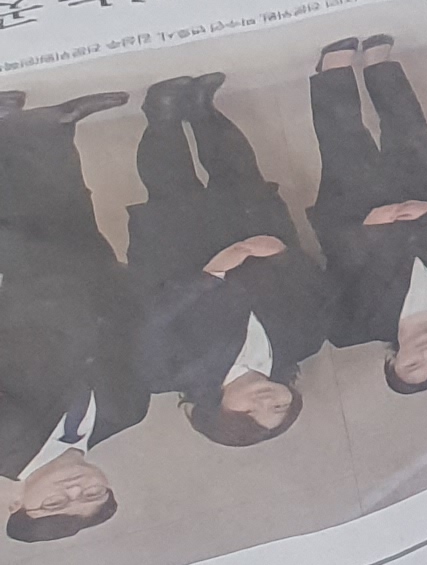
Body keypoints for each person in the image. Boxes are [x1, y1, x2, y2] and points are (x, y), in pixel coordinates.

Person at [124, 73, 330, 445]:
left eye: (250, 412)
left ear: (217, 410)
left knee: (171, 183)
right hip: (259, 243)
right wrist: (283, 255)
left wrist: (211, 274)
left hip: (178, 258)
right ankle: (203, 110)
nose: (265, 401)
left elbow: (149, 320)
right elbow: (313, 289)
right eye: (279, 407)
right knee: (239, 172)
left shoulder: (169, 374)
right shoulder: (302, 344)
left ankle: (162, 114)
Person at [305, 35, 427, 395]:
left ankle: (333, 72)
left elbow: (332, 275)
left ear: (392, 361)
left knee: (344, 143)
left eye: (413, 365)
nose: (426, 352)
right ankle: (380, 66)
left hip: (357, 217)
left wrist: (369, 230)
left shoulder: (352, 327)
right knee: (408, 129)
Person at [0, 90, 148, 543]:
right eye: (93, 496)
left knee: (11, 215)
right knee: (70, 210)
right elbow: (132, 340)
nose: (76, 490)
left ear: (16, 501)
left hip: (19, 291)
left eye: (55, 503)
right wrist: (121, 286)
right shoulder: (127, 413)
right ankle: (54, 127)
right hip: (91, 283)